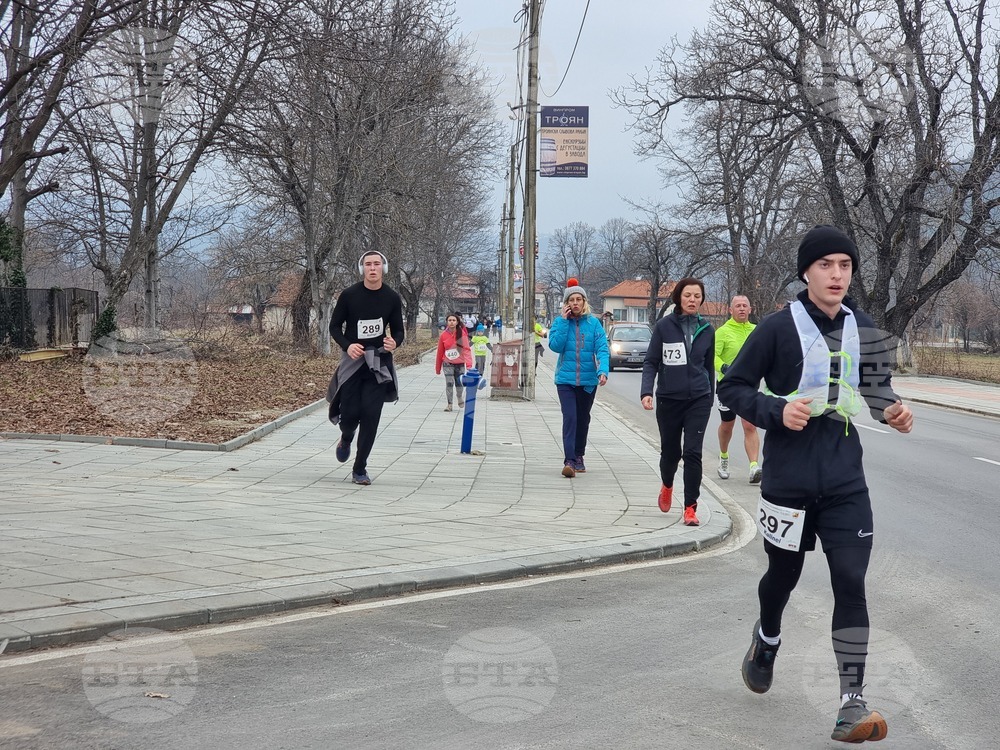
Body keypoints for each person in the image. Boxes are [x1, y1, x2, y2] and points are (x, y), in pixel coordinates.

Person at [717, 225, 913, 744]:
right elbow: (732, 386)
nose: (836, 275)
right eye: (826, 265)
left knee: (850, 582)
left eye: (844, 266)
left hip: (847, 480)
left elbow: (873, 386)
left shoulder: (864, 326)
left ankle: (852, 702)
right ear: (806, 272)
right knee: (782, 576)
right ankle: (767, 638)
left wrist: (891, 409)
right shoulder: (777, 329)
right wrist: (776, 411)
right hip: (789, 480)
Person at [641, 278, 715, 526]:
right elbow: (651, 361)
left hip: (699, 399)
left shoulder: (707, 329)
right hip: (669, 399)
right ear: (679, 298)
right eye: (688, 295)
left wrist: (710, 395)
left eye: (697, 296)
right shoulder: (664, 326)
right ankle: (667, 485)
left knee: (693, 453)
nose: (693, 300)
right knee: (671, 453)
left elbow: (709, 366)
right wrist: (646, 392)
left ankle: (690, 508)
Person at [327, 250, 404, 486]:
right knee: (349, 417)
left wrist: (394, 342)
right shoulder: (349, 295)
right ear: (362, 269)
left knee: (371, 417)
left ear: (383, 268)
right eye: (368, 264)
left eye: (377, 264)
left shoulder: (391, 297)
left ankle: (360, 469)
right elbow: (334, 327)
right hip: (353, 362)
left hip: (377, 364)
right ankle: (346, 438)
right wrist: (348, 346)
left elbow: (398, 330)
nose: (372, 268)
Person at [548, 279, 609, 478]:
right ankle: (569, 461)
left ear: (584, 302)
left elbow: (602, 348)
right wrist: (565, 322)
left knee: (583, 420)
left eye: (579, 299)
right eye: (571, 300)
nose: (575, 303)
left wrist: (603, 370)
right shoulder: (559, 323)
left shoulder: (593, 324)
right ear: (566, 304)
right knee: (571, 418)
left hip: (588, 382)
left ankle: (579, 455)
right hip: (565, 380)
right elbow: (555, 346)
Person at [715, 295, 762, 484]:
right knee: (728, 425)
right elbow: (712, 356)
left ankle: (753, 467)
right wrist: (724, 367)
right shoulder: (722, 332)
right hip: (727, 385)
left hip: (749, 384)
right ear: (730, 310)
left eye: (745, 306)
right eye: (738, 306)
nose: (741, 309)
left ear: (750, 310)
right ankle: (724, 457)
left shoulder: (757, 331)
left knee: (750, 425)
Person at [435, 312, 473, 412]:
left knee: (459, 384)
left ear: (457, 322)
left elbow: (467, 350)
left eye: (453, 320)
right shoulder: (443, 335)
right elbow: (440, 352)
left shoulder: (462, 334)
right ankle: (449, 404)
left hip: (460, 363)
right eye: (449, 320)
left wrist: (469, 365)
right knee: (449, 383)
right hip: (447, 363)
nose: (451, 322)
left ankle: (459, 396)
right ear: (447, 322)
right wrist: (438, 368)